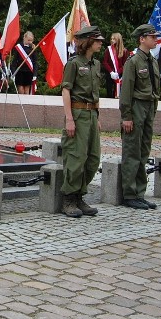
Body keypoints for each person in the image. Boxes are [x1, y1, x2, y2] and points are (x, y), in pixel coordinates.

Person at [58, 25, 105, 218]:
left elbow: (96, 93)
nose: (101, 43)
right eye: (97, 40)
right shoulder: (74, 64)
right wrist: (69, 119)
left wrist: (97, 116)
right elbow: (66, 90)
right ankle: (69, 199)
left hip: (91, 115)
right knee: (76, 158)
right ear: (87, 42)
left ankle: (80, 196)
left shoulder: (96, 64)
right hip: (77, 115)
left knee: (93, 159)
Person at [120, 23, 161, 210]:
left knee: (144, 150)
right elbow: (126, 91)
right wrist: (126, 116)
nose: (155, 39)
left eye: (155, 36)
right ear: (142, 39)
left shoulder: (152, 61)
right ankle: (129, 194)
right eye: (151, 37)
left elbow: (155, 89)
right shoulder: (133, 61)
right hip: (136, 107)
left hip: (148, 107)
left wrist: (153, 109)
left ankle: (139, 192)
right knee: (132, 151)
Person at [103, 32, 130, 99]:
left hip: (120, 75)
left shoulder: (124, 51)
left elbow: (125, 64)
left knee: (118, 93)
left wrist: (118, 72)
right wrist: (111, 72)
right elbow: (105, 62)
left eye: (114, 39)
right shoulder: (108, 50)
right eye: (111, 39)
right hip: (110, 74)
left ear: (118, 40)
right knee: (109, 92)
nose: (112, 40)